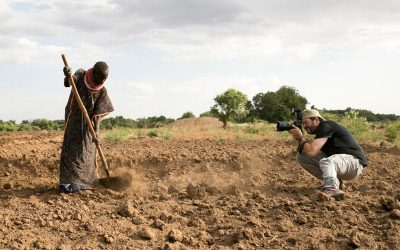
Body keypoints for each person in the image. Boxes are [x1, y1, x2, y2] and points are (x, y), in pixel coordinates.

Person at [288, 109, 367, 200]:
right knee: (302, 156)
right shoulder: (322, 132)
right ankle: (337, 184)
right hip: (342, 164)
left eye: (306, 122)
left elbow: (312, 150)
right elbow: (305, 151)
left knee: (327, 161)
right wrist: (299, 139)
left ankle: (331, 188)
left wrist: (301, 137)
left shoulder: (327, 125)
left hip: (354, 163)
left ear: (316, 120)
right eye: (303, 124)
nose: (305, 126)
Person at [59, 61, 114, 192]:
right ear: (93, 73)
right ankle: (68, 183)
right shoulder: (81, 74)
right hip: (74, 121)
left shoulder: (102, 92)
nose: (102, 80)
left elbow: (98, 115)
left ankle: (86, 183)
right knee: (71, 151)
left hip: (89, 127)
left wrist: (96, 133)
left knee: (86, 153)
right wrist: (68, 75)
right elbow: (68, 83)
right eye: (100, 77)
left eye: (104, 78)